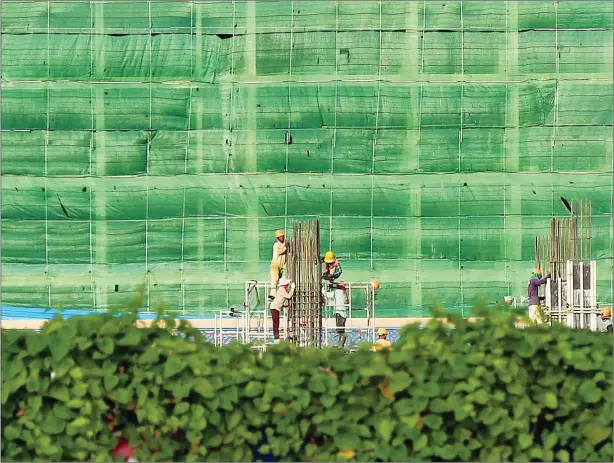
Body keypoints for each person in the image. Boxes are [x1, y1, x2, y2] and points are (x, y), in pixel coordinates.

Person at [322, 251, 347, 347]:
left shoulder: (339, 292)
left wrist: (323, 291)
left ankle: (341, 346)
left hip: (340, 311)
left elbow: (330, 295)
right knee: (339, 329)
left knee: (340, 329)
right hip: (339, 311)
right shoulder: (339, 291)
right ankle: (340, 345)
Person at [269, 276, 295, 343]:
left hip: (275, 307)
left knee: (276, 322)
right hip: (274, 307)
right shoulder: (281, 289)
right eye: (286, 284)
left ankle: (276, 337)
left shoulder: (282, 289)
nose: (287, 286)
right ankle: (276, 338)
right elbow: (289, 296)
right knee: (276, 323)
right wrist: (292, 288)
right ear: (284, 285)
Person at [270, 230, 289, 300]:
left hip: (281, 265)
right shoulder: (276, 245)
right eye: (280, 237)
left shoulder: (285, 244)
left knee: (280, 280)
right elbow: (279, 251)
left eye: (283, 237)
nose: (282, 238)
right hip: (275, 264)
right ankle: (272, 294)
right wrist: (285, 247)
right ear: (277, 238)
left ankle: (278, 294)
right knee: (274, 279)